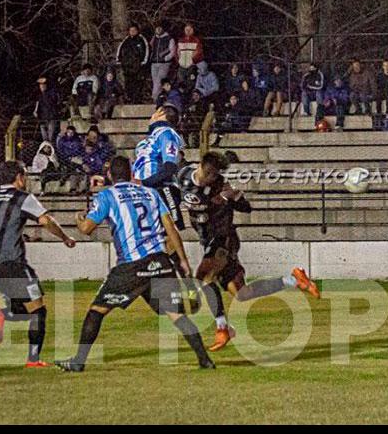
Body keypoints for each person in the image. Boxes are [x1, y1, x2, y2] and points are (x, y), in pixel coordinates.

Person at [55, 156, 214, 372]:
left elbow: (86, 229)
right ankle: (205, 360)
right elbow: (171, 229)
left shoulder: (107, 195)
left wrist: (79, 218)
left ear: (110, 175)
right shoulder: (151, 193)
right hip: (160, 260)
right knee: (176, 314)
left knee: (96, 310)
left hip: (132, 264)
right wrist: (183, 261)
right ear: (131, 173)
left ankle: (78, 361)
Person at [176, 152, 320, 352]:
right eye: (209, 174)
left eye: (215, 175)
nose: (212, 178)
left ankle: (222, 328)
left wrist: (232, 197)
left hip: (224, 239)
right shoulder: (183, 175)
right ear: (200, 166)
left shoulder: (221, 186)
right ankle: (295, 280)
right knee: (243, 293)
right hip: (207, 240)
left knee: (203, 275)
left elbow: (246, 208)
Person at [0, 161, 75, 368]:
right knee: (38, 311)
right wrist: (65, 238)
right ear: (19, 177)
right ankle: (33, 359)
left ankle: (2, 314)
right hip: (12, 264)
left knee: (23, 307)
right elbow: (46, 220)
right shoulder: (23, 198)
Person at [132, 105, 186, 230]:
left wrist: (144, 182)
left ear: (161, 113)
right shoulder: (149, 139)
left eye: (154, 113)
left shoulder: (166, 133)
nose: (151, 116)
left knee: (169, 232)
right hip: (143, 191)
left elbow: (169, 167)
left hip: (161, 189)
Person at [115, 24, 150, 103]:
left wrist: (143, 62)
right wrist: (119, 60)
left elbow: (146, 50)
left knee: (138, 84)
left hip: (137, 66)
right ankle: (129, 99)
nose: (132, 32)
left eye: (134, 30)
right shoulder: (126, 40)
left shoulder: (141, 39)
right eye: (131, 30)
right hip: (127, 66)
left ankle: (137, 100)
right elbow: (120, 50)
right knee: (128, 84)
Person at [149, 22, 176, 103]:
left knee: (159, 80)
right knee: (155, 81)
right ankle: (159, 99)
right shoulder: (154, 39)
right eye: (157, 28)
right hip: (154, 62)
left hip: (164, 63)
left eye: (160, 28)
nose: (158, 30)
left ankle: (154, 98)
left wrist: (166, 58)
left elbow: (172, 50)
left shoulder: (169, 38)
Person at [176, 23, 204, 90]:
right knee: (180, 83)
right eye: (186, 29)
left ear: (193, 30)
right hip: (182, 66)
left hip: (192, 65)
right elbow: (177, 51)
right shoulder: (181, 40)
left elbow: (199, 51)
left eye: (190, 29)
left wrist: (192, 60)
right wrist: (179, 61)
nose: (188, 31)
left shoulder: (196, 40)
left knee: (191, 82)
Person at [33, 77, 60, 143]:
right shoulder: (39, 95)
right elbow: (38, 102)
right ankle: (45, 148)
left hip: (51, 116)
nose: (41, 87)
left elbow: (54, 100)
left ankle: (50, 149)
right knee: (44, 136)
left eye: (43, 85)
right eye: (40, 85)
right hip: (42, 117)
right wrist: (35, 111)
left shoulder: (51, 93)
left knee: (50, 135)